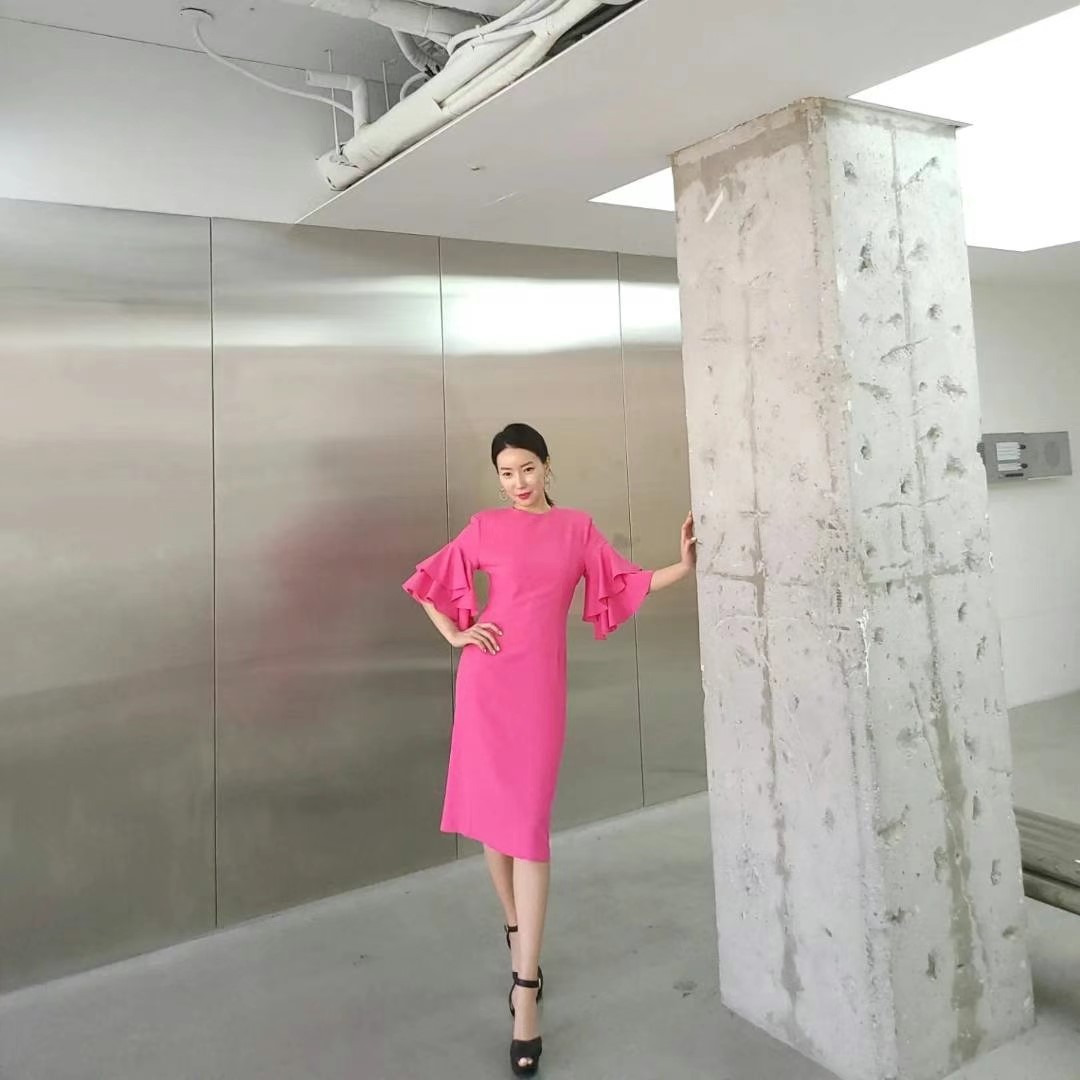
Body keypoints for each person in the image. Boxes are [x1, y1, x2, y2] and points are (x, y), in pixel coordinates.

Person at [402, 422, 697, 1077]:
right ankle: (518, 936)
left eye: (527, 468)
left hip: (539, 691)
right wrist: (456, 635)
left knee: (528, 827)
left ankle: (526, 985)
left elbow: (623, 581)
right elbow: (427, 581)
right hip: (487, 683)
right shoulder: (484, 527)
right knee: (495, 824)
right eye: (506, 473)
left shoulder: (575, 529)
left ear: (546, 465)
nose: (518, 483)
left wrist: (682, 567)